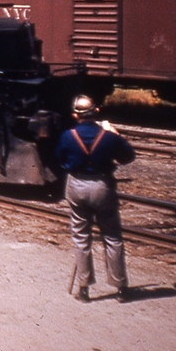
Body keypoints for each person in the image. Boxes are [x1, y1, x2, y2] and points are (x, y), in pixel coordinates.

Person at [56, 95, 135, 303]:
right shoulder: (109, 136)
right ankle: (120, 288)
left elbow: (60, 159)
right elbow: (128, 157)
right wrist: (117, 136)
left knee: (81, 237)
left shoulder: (67, 136)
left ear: (75, 115)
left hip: (76, 186)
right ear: (96, 112)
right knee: (112, 237)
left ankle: (83, 289)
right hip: (102, 186)